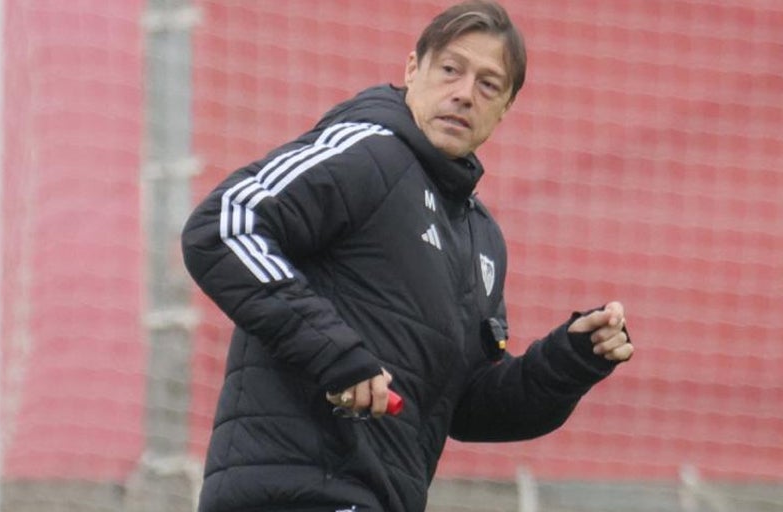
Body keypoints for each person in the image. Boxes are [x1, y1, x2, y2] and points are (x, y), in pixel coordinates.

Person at [180, 1, 634, 511]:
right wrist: (336, 355)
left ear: (505, 108)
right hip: (291, 493)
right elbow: (223, 225)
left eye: (488, 85)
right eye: (451, 70)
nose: (465, 93)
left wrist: (569, 360)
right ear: (413, 69)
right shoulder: (368, 152)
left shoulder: (481, 237)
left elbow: (468, 406)